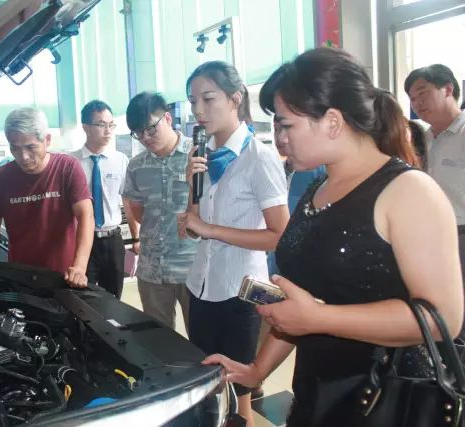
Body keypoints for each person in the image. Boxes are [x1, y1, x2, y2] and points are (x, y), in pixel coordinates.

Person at [203, 48, 463, 427]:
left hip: (387, 398)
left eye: (287, 125)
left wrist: (321, 318)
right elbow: (300, 304)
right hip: (317, 393)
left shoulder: (408, 192)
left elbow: (442, 319)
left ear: (333, 122)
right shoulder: (319, 190)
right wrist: (257, 370)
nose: (280, 138)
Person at [178, 61, 289, 424]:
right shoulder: (201, 155)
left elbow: (279, 236)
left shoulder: (260, 157)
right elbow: (197, 227)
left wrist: (210, 230)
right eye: (192, 101)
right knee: (208, 381)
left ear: (235, 99)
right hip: (202, 285)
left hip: (241, 290)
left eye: (208, 99)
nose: (197, 110)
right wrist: (191, 206)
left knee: (239, 389)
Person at [0, 108, 94, 288]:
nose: (24, 157)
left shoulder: (67, 168)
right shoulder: (2, 176)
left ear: (47, 140)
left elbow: (86, 216)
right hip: (20, 276)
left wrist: (79, 267)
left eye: (30, 147)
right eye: (15, 148)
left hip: (64, 276)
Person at [122, 92, 198, 331]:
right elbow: (137, 210)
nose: (145, 137)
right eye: (138, 133)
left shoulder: (196, 156)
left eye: (150, 129)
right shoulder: (137, 166)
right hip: (152, 271)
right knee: (159, 344)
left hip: (193, 268)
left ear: (167, 118)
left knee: (202, 342)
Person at [405, 64, 465, 321]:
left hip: (461, 233)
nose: (417, 103)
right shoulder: (421, 140)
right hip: (430, 236)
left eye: (423, 93)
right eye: (412, 99)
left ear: (448, 89)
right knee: (439, 312)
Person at [72, 100, 133, 298]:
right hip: (82, 241)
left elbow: (128, 200)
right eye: (101, 125)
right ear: (86, 128)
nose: (108, 131)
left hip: (113, 240)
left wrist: (136, 236)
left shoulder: (120, 160)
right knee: (83, 298)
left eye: (111, 125)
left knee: (114, 299)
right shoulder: (71, 162)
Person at [267, 113, 326, 275]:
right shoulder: (274, 170)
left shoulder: (319, 171)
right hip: (276, 264)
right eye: (276, 129)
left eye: (286, 128)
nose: (280, 138)